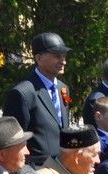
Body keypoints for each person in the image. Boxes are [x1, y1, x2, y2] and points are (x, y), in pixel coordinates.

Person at [5, 32, 73, 166]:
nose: (63, 61)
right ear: (38, 58)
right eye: (56, 56)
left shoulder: (62, 88)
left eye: (64, 56)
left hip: (63, 166)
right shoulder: (23, 93)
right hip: (38, 169)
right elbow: (15, 139)